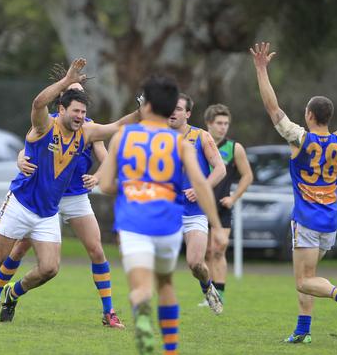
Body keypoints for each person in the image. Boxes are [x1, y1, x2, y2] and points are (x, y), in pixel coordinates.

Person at [0, 58, 140, 322]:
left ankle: (12, 293)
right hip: (21, 204)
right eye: (75, 111)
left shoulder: (87, 131)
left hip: (48, 211)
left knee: (50, 268)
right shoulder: (45, 125)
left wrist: (144, 110)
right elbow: (37, 104)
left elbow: (117, 127)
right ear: (61, 107)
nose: (80, 116)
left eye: (82, 112)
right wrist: (67, 80)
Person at [100, 74, 224, 355]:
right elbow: (202, 184)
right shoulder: (180, 144)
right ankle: (170, 349)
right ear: (170, 109)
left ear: (146, 106)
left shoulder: (123, 136)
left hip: (133, 220)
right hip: (168, 219)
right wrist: (217, 226)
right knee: (166, 282)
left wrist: (134, 188)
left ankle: (142, 313)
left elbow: (106, 184)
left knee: (142, 285)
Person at [251, 42, 337, 343]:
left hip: (307, 219)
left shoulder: (300, 138)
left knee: (303, 281)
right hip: (331, 221)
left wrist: (261, 69)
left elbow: (273, 109)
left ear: (311, 115)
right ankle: (303, 331)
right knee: (310, 276)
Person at [167, 93, 226, 314]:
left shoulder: (201, 137)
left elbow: (220, 168)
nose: (173, 112)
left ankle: (207, 287)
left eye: (179, 109)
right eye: (171, 108)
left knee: (196, 264)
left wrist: (201, 189)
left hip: (193, 211)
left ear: (188, 114)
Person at [199, 104, 254, 307]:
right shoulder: (200, 143)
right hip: (200, 206)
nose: (223, 127)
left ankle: (218, 294)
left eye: (226, 124)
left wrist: (233, 198)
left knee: (219, 249)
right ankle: (208, 293)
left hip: (222, 207)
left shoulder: (234, 148)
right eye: (219, 123)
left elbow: (247, 176)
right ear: (209, 124)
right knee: (205, 253)